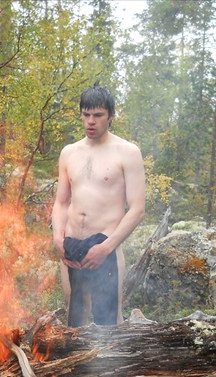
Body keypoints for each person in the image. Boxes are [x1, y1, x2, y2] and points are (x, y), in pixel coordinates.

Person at [52, 84, 146, 327]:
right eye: (86, 114)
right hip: (72, 248)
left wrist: (105, 248)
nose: (91, 121)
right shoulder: (69, 152)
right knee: (75, 316)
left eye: (98, 115)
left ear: (111, 116)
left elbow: (137, 209)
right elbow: (61, 202)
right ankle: (77, 355)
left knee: (111, 320)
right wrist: (58, 238)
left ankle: (113, 354)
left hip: (106, 248)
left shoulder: (127, 152)